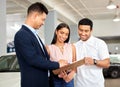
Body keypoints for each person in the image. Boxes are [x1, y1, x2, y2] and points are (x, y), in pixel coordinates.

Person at [14, 2, 67, 87]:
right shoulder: (22, 34)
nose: (43, 23)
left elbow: (44, 58)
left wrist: (56, 71)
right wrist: (57, 64)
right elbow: (33, 59)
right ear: (35, 16)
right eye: (43, 19)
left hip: (45, 81)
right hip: (33, 83)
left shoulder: (34, 34)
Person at [74, 18, 110, 87]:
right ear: (78, 29)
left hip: (95, 84)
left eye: (86, 31)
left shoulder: (100, 43)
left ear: (91, 30)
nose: (83, 33)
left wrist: (94, 61)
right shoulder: (75, 45)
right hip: (79, 84)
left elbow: (107, 63)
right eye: (81, 30)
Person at [46, 23, 76, 87]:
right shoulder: (49, 48)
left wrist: (71, 74)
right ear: (56, 32)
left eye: (66, 34)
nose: (64, 36)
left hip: (69, 79)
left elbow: (75, 64)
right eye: (61, 33)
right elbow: (47, 65)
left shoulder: (72, 47)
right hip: (55, 80)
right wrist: (58, 71)